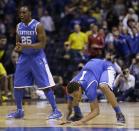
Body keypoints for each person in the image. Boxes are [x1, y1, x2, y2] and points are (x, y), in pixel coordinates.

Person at [7, 5, 62, 119]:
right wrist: (17, 48)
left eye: (24, 12)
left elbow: (42, 44)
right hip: (24, 58)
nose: (21, 15)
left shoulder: (38, 25)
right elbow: (18, 43)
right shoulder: (19, 26)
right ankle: (19, 111)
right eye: (20, 13)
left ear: (30, 13)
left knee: (45, 85)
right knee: (17, 85)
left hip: (37, 58)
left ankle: (56, 111)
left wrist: (27, 46)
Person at [63, 59, 125, 126]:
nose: (75, 97)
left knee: (103, 86)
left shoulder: (89, 86)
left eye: (75, 94)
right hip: (92, 65)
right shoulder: (70, 87)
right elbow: (68, 108)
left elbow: (96, 111)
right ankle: (77, 114)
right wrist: (64, 119)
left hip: (105, 67)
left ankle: (119, 114)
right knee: (73, 99)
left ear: (79, 88)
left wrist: (81, 122)